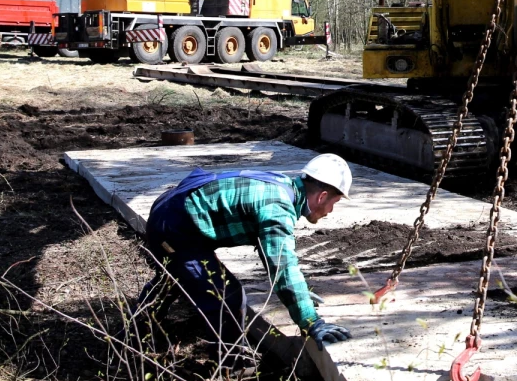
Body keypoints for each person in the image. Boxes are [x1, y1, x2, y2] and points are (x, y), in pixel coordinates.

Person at [130, 153, 353, 357]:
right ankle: (231, 363)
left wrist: (299, 295)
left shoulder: (281, 185)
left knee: (175, 277)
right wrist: (311, 322)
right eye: (335, 203)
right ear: (322, 196)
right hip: (174, 226)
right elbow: (282, 267)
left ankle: (134, 335)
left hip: (173, 210)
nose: (331, 211)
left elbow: (272, 256)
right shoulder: (277, 209)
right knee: (228, 297)